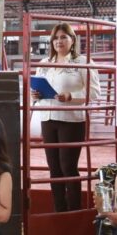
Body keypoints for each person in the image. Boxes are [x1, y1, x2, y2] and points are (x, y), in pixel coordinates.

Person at [30, 23, 100, 212]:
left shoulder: (83, 62)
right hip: (48, 118)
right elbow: (35, 90)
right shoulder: (44, 63)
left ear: (73, 39)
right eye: (55, 37)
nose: (58, 41)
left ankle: (74, 210)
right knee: (54, 168)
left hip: (71, 120)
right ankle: (59, 209)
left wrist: (71, 96)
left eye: (63, 37)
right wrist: (35, 95)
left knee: (68, 166)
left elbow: (95, 92)